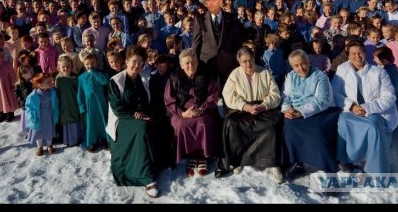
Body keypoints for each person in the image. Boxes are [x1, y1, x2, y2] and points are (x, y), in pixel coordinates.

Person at [216, 47, 283, 184]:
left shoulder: (264, 72)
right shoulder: (234, 74)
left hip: (263, 107)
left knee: (271, 125)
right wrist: (245, 106)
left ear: (254, 59)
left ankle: (272, 163)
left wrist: (264, 105)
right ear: (239, 62)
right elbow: (228, 95)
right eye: (244, 61)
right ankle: (238, 161)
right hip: (242, 108)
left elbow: (275, 94)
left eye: (250, 60)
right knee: (233, 125)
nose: (248, 64)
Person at [105, 45, 164, 198]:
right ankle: (146, 178)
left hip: (144, 117)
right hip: (123, 121)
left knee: (158, 126)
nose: (137, 65)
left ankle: (153, 165)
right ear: (126, 61)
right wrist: (136, 115)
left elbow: (152, 101)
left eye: (140, 62)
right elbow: (117, 108)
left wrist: (150, 114)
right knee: (142, 128)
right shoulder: (116, 81)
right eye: (133, 61)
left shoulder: (145, 77)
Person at [332, 41, 398, 174]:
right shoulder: (342, 69)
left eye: (360, 53)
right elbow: (335, 92)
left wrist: (367, 108)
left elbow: (389, 97)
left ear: (365, 53)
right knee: (343, 123)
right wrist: (351, 106)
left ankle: (374, 167)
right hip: (349, 110)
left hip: (375, 111)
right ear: (348, 55)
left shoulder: (379, 72)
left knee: (373, 127)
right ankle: (345, 159)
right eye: (353, 53)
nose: (357, 56)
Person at [281, 50, 340, 179]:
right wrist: (287, 109)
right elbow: (286, 95)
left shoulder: (320, 76)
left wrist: (301, 111)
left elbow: (322, 100)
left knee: (317, 132)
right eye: (296, 65)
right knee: (289, 126)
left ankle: (329, 170)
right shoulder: (291, 76)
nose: (301, 68)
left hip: (321, 111)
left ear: (308, 62)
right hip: (297, 111)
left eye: (303, 64)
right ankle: (297, 163)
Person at [164, 48, 221, 177]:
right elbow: (169, 100)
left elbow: (213, 96)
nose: (191, 66)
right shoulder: (174, 77)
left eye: (193, 62)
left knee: (203, 124)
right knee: (180, 125)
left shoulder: (206, 74)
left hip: (203, 109)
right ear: (181, 65)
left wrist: (202, 109)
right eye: (187, 63)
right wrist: (182, 113)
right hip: (182, 111)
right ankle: (191, 156)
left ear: (197, 62)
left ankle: (202, 157)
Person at [192, 0, 242, 92]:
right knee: (209, 95)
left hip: (227, 63)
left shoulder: (230, 18)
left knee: (229, 93)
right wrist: (195, 64)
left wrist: (235, 59)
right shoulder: (200, 19)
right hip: (207, 63)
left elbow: (236, 42)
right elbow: (196, 43)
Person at [77, 53, 109, 152]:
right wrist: (82, 106)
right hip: (89, 105)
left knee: (103, 121)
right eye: (87, 64)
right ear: (84, 65)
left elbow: (105, 81)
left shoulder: (101, 74)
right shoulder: (81, 77)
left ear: (96, 63)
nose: (90, 66)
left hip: (101, 104)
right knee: (91, 123)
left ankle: (105, 140)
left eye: (92, 63)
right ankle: (93, 142)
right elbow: (80, 93)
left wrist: (94, 72)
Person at [25, 73, 60, 156]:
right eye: (48, 82)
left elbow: (56, 104)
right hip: (38, 117)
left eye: (51, 81)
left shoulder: (52, 93)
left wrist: (56, 113)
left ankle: (49, 145)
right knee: (38, 132)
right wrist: (32, 116)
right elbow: (29, 107)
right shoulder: (33, 96)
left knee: (49, 131)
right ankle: (39, 146)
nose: (51, 83)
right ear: (40, 84)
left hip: (49, 116)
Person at [56, 56, 82, 147]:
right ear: (59, 68)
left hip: (73, 103)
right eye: (63, 67)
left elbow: (79, 91)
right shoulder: (58, 79)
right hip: (63, 104)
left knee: (74, 120)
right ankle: (66, 139)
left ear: (72, 67)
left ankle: (75, 139)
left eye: (68, 66)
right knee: (65, 121)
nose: (66, 69)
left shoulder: (75, 78)